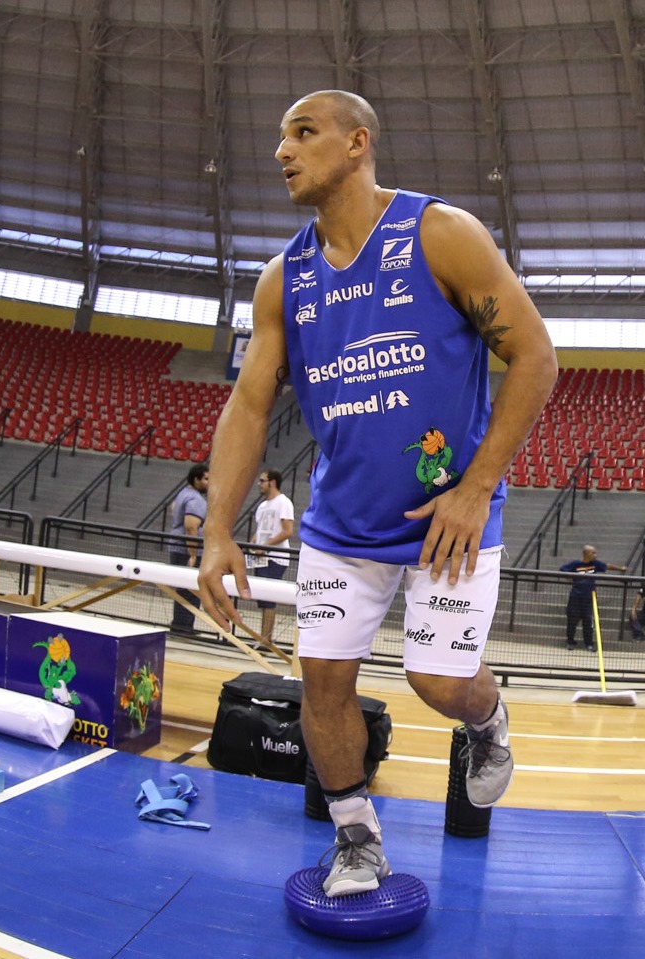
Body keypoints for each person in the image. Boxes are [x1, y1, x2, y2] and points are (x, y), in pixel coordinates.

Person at [194, 90, 557, 898]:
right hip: (342, 524)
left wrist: (478, 487)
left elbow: (535, 356)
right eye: (279, 136)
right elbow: (250, 403)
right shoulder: (283, 279)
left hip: (450, 516)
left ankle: (488, 717)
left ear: (357, 144)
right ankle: (358, 838)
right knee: (322, 681)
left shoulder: (440, 235)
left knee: (437, 682)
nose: (282, 151)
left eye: (302, 132)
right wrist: (218, 528)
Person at [246, 469, 296, 646]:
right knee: (263, 598)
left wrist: (265, 546)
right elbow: (259, 531)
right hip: (262, 556)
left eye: (262, 480)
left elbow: (287, 531)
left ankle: (266, 638)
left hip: (275, 557)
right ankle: (263, 636)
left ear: (272, 482)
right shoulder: (262, 506)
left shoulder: (283, 503)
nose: (259, 484)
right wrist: (253, 545)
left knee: (269, 599)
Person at [167, 463, 209, 632]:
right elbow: (191, 526)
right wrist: (193, 554)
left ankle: (181, 623)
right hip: (185, 549)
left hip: (177, 546)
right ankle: (184, 625)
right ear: (196, 479)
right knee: (189, 589)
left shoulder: (183, 494)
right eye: (206, 479)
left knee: (183, 587)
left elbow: (173, 508)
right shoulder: (195, 499)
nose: (209, 483)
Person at [559, 545, 610, 651]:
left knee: (588, 621)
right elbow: (563, 569)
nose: (595, 555)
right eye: (593, 553)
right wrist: (570, 579)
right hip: (576, 597)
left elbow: (607, 566)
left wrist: (621, 568)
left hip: (589, 598)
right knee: (572, 620)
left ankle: (589, 643)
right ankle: (570, 642)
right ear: (586, 554)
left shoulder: (595, 564)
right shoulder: (576, 564)